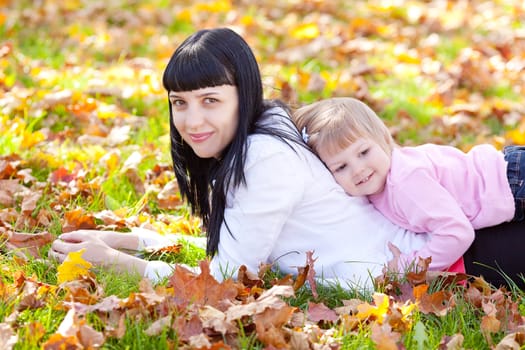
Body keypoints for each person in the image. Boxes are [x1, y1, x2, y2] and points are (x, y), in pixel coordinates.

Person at [49, 28, 524, 290]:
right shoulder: (262, 134)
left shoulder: (265, 159)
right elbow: (239, 248)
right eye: (180, 102)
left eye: (210, 100)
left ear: (243, 94)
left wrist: (114, 262)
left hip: (462, 256)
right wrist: (130, 239)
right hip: (447, 237)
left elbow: (230, 275)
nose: (192, 120)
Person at [292, 96, 525, 277]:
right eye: (341, 167)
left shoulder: (404, 182)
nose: (358, 169)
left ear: (383, 138)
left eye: (363, 152)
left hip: (514, 185)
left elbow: (456, 233)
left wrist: (407, 265)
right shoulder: (380, 186)